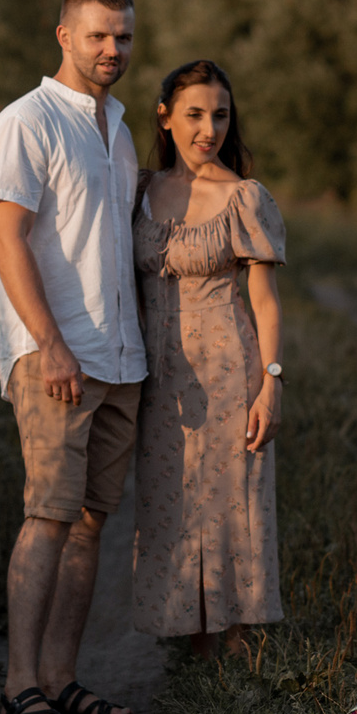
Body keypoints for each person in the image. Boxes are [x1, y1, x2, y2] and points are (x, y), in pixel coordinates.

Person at [0, 0, 148, 714]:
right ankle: (19, 685)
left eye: (122, 37)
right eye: (97, 36)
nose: (112, 50)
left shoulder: (118, 124)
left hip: (120, 360)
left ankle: (61, 678)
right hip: (58, 357)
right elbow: (7, 237)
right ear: (63, 36)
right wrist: (48, 343)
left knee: (89, 525)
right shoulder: (26, 121)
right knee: (46, 517)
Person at [131, 60, 287, 657]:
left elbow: (266, 301)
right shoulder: (139, 190)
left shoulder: (245, 197)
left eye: (220, 115)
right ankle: (189, 636)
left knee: (232, 500)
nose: (209, 128)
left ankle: (236, 642)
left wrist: (271, 383)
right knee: (169, 498)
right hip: (156, 376)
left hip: (229, 367)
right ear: (165, 116)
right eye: (194, 114)